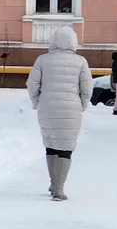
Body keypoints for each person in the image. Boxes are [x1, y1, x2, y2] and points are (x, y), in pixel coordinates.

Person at [27, 26, 92, 201]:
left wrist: (36, 102)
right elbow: (87, 87)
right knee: (66, 147)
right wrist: (82, 105)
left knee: (50, 144)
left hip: (47, 107)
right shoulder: (80, 61)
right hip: (71, 109)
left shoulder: (42, 60)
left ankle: (54, 183)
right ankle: (59, 188)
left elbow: (32, 84)